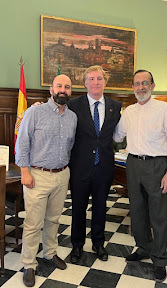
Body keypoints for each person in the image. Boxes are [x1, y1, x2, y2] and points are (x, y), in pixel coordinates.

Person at [114, 69, 167, 282]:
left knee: (158, 215)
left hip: (157, 167)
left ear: (152, 85)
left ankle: (159, 260)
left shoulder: (164, 109)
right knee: (137, 211)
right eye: (137, 83)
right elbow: (116, 135)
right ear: (132, 87)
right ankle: (143, 247)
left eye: (145, 83)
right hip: (133, 164)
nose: (141, 87)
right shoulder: (129, 112)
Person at [15, 74, 77, 287]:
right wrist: (25, 171)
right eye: (59, 85)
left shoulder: (72, 117)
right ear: (51, 89)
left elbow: (71, 147)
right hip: (37, 175)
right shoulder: (34, 112)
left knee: (53, 219)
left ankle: (50, 253)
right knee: (33, 223)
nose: (63, 89)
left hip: (62, 175)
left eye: (67, 87)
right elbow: (22, 143)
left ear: (70, 91)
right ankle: (29, 264)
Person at [68, 65, 121, 263]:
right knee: (78, 207)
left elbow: (118, 134)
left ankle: (98, 244)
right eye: (91, 79)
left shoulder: (115, 106)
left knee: (100, 207)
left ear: (105, 82)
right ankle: (77, 245)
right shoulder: (74, 104)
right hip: (80, 166)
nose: (95, 82)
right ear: (84, 83)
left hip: (104, 167)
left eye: (99, 78)